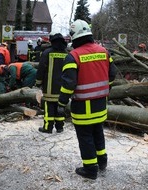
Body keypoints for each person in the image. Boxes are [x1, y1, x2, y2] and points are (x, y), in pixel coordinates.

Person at [57, 19, 117, 180]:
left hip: (83, 107)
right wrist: (105, 88)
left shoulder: (73, 56)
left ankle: (90, 169)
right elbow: (112, 74)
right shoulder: (103, 51)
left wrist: (61, 103)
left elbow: (68, 84)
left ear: (74, 36)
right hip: (100, 104)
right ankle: (102, 161)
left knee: (85, 137)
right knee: (98, 132)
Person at [35, 32, 68, 134]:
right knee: (60, 106)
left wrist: (38, 82)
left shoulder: (47, 53)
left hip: (50, 87)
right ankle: (60, 127)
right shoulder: (67, 54)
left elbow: (41, 69)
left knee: (49, 107)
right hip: (63, 88)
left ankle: (48, 127)